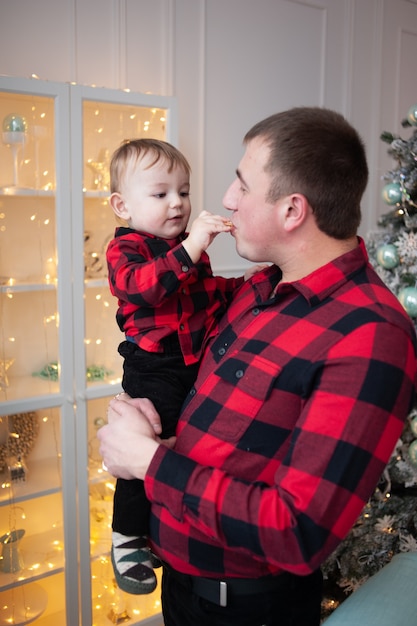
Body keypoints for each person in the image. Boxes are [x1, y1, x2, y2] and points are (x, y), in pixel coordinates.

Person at [98, 107, 417, 625]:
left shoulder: (369, 336)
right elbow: (233, 439)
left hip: (244, 612)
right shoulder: (256, 291)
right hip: (181, 587)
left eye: (242, 185)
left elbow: (296, 532)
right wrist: (150, 437)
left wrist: (148, 463)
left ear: (292, 210)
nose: (225, 199)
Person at [106, 138, 260, 595]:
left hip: (195, 364)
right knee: (143, 446)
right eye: (160, 194)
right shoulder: (128, 251)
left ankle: (158, 527)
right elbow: (144, 288)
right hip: (153, 367)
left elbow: (208, 297)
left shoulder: (189, 251)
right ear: (122, 205)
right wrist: (192, 245)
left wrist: (254, 282)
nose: (178, 203)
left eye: (184, 191)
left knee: (182, 447)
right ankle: (125, 537)